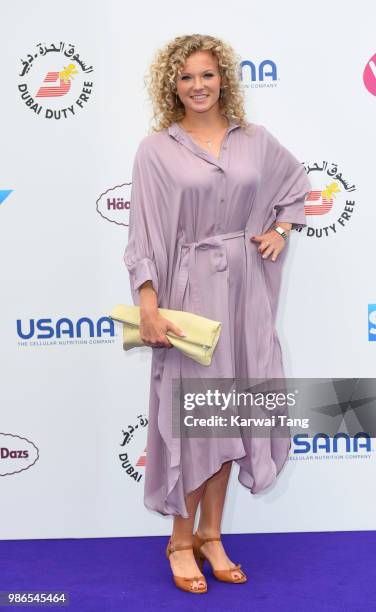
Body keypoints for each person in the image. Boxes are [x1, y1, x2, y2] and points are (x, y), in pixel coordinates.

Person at [123, 33, 311, 594]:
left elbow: (295, 189)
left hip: (246, 295)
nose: (198, 86)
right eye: (186, 77)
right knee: (197, 422)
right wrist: (149, 306)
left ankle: (211, 535)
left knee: (231, 416)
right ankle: (181, 541)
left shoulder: (256, 140)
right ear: (171, 86)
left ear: (223, 78)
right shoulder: (156, 149)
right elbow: (144, 235)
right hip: (190, 297)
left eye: (207, 75)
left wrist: (280, 230)